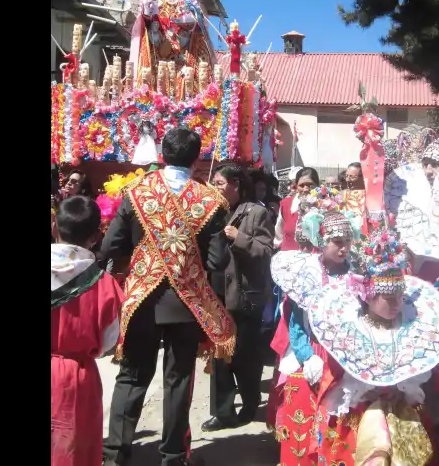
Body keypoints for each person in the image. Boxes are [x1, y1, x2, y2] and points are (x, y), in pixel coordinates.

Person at [98, 128, 233, 466]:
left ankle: (115, 453)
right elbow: (217, 262)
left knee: (131, 375)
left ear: (163, 154)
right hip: (187, 304)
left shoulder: (135, 192)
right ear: (195, 158)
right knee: (179, 380)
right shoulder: (210, 201)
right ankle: (173, 455)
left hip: (142, 299)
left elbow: (110, 247)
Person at [309, 226, 439, 466]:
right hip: (358, 413)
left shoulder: (416, 327)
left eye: (399, 295)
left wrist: (405, 389)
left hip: (405, 413)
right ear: (367, 294)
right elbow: (335, 381)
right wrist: (361, 390)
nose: (397, 303)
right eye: (388, 296)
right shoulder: (346, 328)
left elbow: (429, 384)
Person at [268, 203, 362, 465]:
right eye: (336, 242)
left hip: (345, 356)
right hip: (312, 351)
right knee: (303, 423)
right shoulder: (304, 272)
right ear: (321, 241)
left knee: (340, 424)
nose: (344, 248)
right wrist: (307, 355)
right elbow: (296, 320)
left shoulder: (357, 273)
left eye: (347, 241)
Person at [51, 196, 126, 466]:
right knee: (75, 450)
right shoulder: (103, 284)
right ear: (95, 237)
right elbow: (108, 343)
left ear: (54, 228)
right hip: (78, 378)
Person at [203, 164, 275, 431]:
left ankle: (249, 401)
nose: (215, 188)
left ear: (236, 184)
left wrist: (240, 237)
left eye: (220, 183)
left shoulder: (256, 212)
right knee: (219, 355)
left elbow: (266, 251)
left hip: (244, 296)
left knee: (245, 355)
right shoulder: (213, 212)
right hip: (216, 294)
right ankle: (222, 412)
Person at [274, 167, 319, 251]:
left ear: (317, 185)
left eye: (310, 185)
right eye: (301, 185)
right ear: (296, 186)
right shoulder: (286, 204)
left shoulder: (325, 205)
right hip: (290, 256)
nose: (306, 189)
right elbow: (279, 232)